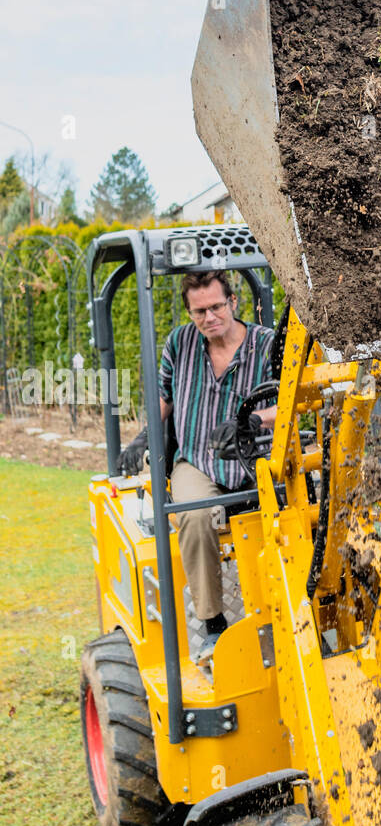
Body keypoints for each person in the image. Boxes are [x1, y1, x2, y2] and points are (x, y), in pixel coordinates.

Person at [118, 271, 277, 661]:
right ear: (190, 313)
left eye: (216, 307)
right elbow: (165, 398)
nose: (209, 317)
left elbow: (290, 397)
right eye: (199, 311)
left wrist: (254, 421)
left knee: (289, 515)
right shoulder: (180, 342)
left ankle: (286, 610)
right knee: (194, 513)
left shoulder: (266, 344)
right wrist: (143, 436)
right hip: (197, 460)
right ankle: (212, 624)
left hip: (254, 458)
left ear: (233, 302)